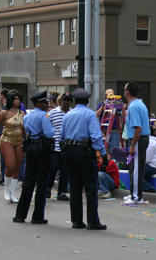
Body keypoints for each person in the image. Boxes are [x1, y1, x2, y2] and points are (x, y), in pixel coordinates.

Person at [61, 87, 107, 230]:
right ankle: (93, 221)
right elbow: (96, 136)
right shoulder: (89, 114)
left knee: (75, 186)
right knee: (91, 186)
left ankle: (76, 220)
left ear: (74, 101)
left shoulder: (68, 115)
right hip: (84, 151)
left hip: (69, 151)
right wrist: (103, 154)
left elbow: (62, 135)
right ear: (87, 101)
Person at [13, 92, 55, 224]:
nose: (47, 105)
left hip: (30, 146)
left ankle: (20, 214)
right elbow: (49, 133)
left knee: (28, 181)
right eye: (45, 102)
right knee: (42, 182)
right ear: (39, 103)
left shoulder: (28, 116)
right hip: (42, 148)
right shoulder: (44, 116)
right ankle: (37, 216)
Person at [0, 91, 25, 203]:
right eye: (15, 99)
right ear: (11, 100)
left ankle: (13, 192)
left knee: (17, 167)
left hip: (19, 140)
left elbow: (24, 130)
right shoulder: (4, 113)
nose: (18, 101)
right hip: (6, 140)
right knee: (10, 165)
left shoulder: (22, 114)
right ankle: (6, 188)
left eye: (19, 99)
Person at [123, 82, 151, 205]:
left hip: (138, 139)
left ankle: (136, 197)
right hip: (140, 138)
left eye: (125, 89)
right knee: (134, 167)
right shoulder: (139, 103)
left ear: (127, 92)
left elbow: (138, 128)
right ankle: (134, 193)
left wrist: (133, 145)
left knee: (136, 168)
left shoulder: (133, 107)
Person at [47, 92, 72, 201]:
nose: (66, 102)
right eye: (64, 100)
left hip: (67, 146)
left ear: (71, 102)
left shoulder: (72, 113)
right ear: (60, 101)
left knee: (65, 170)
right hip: (55, 145)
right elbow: (48, 127)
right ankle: (47, 189)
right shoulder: (53, 113)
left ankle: (61, 192)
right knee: (53, 168)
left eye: (68, 100)